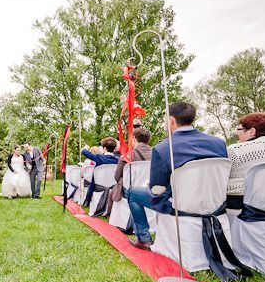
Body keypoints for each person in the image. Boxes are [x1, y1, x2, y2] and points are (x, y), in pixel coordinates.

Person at [127, 102, 227, 250]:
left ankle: (144, 238)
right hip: (215, 204)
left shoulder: (163, 148)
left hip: (180, 204)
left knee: (132, 193)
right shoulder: (219, 143)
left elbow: (157, 190)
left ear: (172, 121)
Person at [107, 127, 153, 216]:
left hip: (130, 189)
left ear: (134, 138)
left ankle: (111, 215)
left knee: (116, 187)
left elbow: (116, 177)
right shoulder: (156, 153)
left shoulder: (127, 156)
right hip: (149, 189)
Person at [81, 137, 119, 206]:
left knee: (93, 179)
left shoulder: (98, 157)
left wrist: (86, 147)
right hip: (112, 186)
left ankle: (87, 200)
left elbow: (83, 151)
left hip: (98, 186)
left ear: (104, 148)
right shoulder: (118, 160)